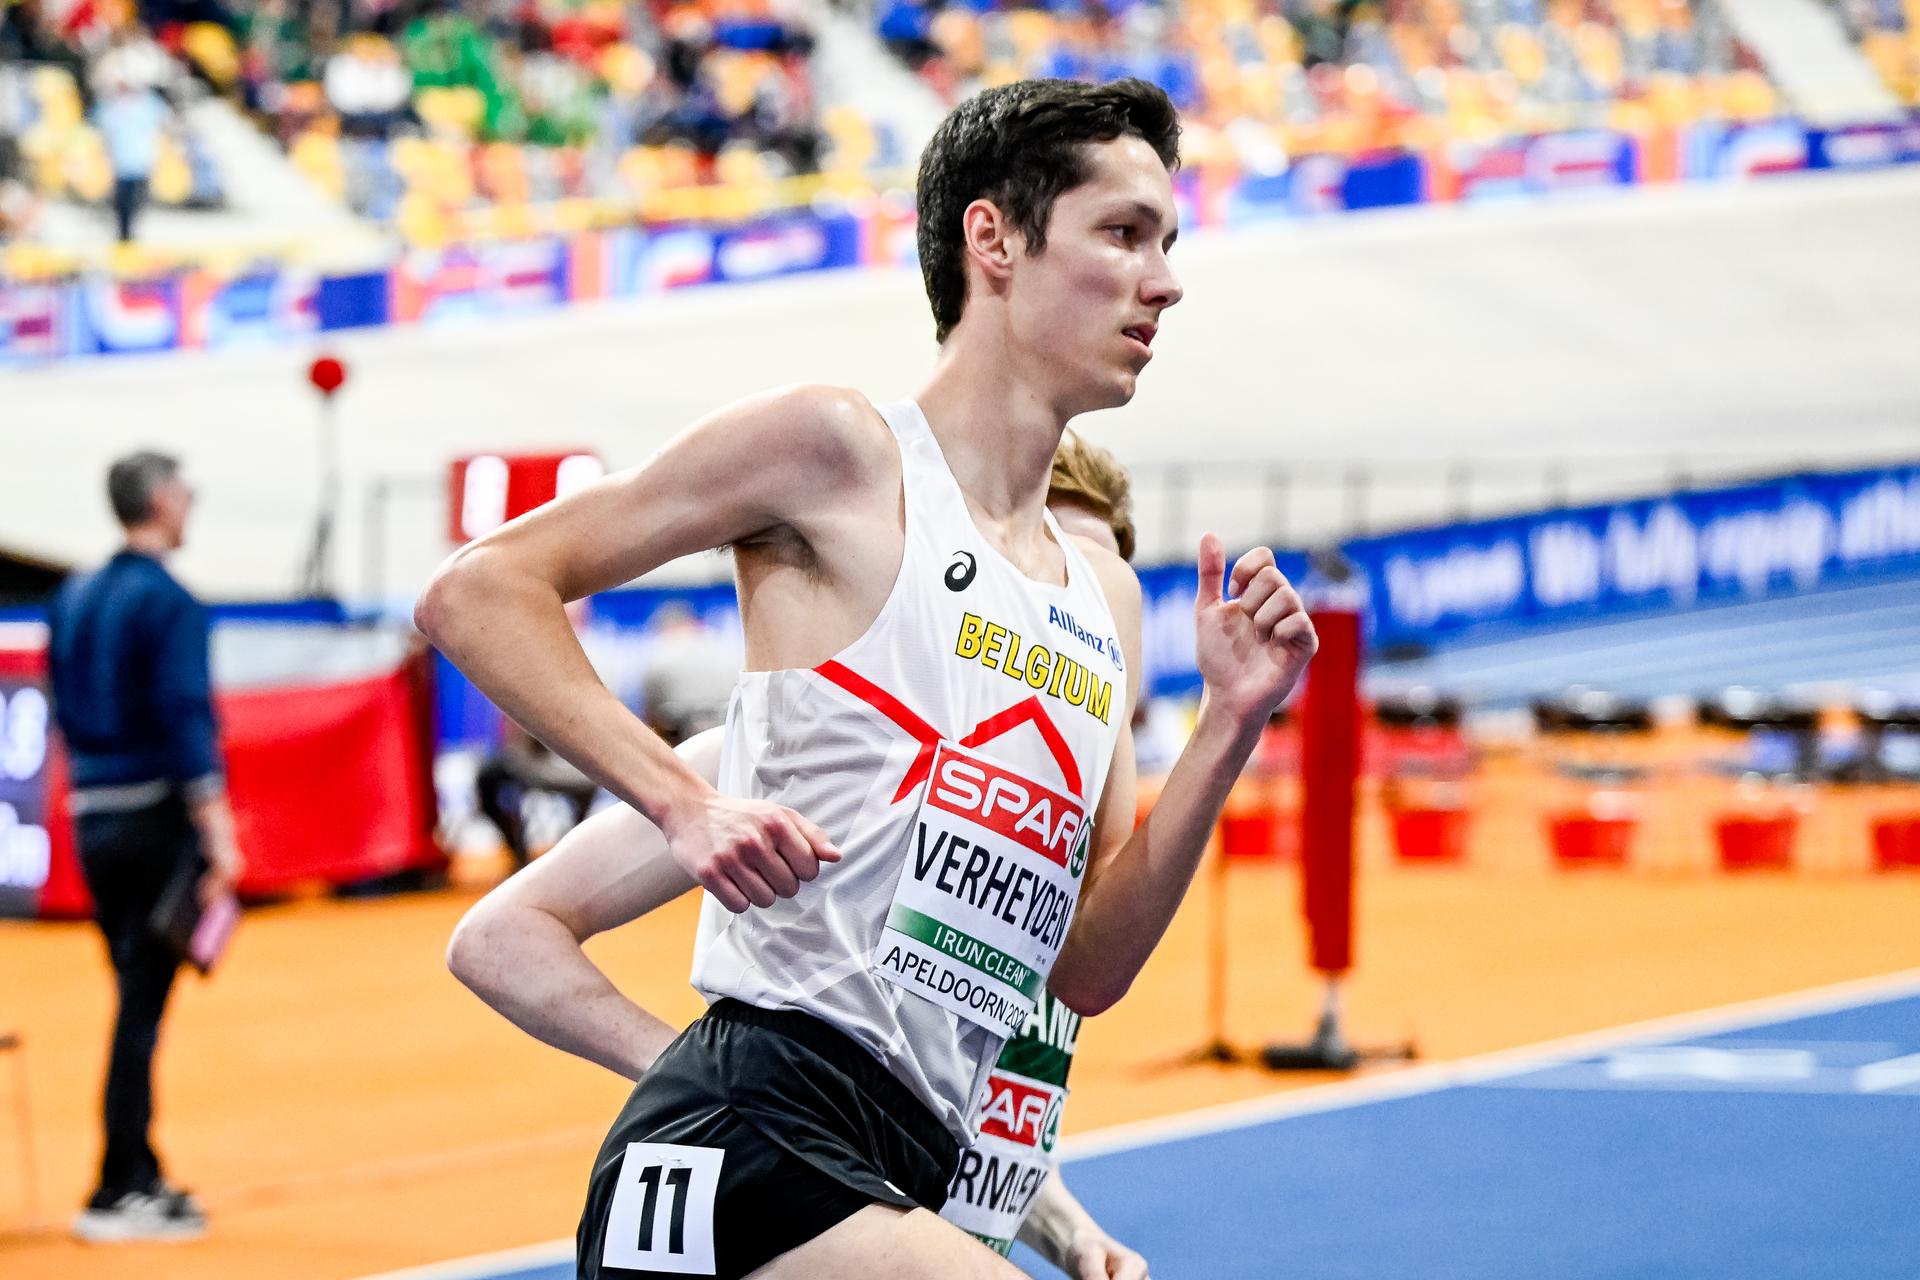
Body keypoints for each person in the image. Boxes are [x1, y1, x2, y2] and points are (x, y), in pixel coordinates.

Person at [416, 76, 1316, 1280]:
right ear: (991, 238)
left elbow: (1088, 971)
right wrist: (682, 801)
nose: (1165, 280)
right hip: (749, 1140)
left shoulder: (1093, 603)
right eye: (1123, 233)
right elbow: (476, 591)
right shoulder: (840, 452)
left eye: (1168, 242)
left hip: (907, 1158)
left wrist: (1230, 724)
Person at [448, 435, 1149, 1278]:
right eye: (1035, 574)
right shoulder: (819, 756)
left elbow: (983, 1125)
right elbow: (500, 935)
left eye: (1092, 599)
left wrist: (1065, 1228)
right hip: (752, 1190)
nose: (1058, 628)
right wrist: (694, 1073)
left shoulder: (1067, 881)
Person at [46, 450, 245, 1243]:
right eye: (186, 492)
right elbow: (187, 718)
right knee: (140, 1009)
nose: (191, 504)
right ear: (161, 501)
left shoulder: (74, 594)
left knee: (132, 995)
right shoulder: (168, 601)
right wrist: (221, 839)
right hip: (156, 820)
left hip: (94, 818)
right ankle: (118, 1183)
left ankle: (136, 1169)